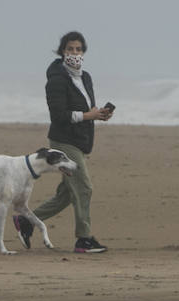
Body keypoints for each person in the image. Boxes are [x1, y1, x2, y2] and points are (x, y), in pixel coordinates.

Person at [15, 30, 113, 254]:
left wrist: (99, 114)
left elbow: (86, 109)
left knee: (68, 193)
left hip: (81, 140)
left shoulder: (85, 77)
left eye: (78, 49)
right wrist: (89, 116)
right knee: (84, 187)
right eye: (70, 49)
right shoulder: (56, 79)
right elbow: (59, 115)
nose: (74, 53)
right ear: (62, 52)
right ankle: (84, 240)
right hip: (63, 141)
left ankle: (27, 221)